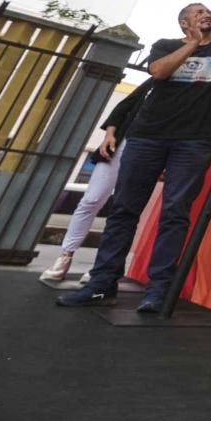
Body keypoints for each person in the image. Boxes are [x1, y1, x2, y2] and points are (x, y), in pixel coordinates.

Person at [57, 2, 211, 311]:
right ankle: (101, 283)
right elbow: (159, 71)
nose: (206, 14)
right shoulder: (166, 46)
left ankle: (157, 290)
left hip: (194, 142)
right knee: (124, 210)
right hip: (148, 138)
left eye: (207, 11)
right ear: (184, 23)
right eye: (198, 12)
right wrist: (194, 45)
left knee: (175, 213)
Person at [39, 79, 154, 282]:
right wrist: (109, 135)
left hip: (148, 151)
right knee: (91, 200)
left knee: (124, 208)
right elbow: (121, 108)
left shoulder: (187, 86)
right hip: (119, 146)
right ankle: (65, 255)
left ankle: (102, 267)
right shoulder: (154, 79)